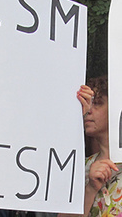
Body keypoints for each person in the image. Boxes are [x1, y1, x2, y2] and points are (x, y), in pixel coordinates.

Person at [58, 76, 119, 217]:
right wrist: (90, 189)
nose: (89, 111)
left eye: (97, 103)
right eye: (87, 104)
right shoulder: (80, 167)